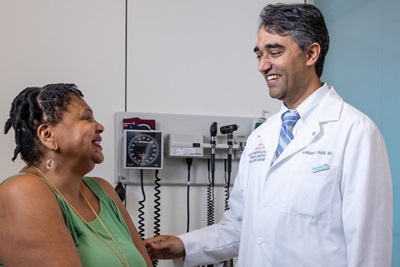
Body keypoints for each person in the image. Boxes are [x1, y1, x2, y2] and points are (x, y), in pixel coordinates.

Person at [144, 3, 393, 267]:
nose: (263, 66)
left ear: (311, 54)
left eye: (274, 52)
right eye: (259, 55)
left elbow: (369, 248)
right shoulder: (262, 137)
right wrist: (185, 246)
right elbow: (241, 226)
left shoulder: (355, 132)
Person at [0, 84, 153, 267]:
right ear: (48, 135)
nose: (100, 127)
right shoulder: (22, 191)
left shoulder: (102, 191)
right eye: (87, 118)